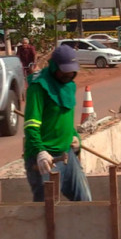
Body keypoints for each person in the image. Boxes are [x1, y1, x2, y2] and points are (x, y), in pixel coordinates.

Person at [23, 45, 92, 202]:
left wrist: (75, 138)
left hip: (67, 155)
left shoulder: (69, 86)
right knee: (48, 210)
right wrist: (40, 151)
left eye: (72, 71)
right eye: (64, 71)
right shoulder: (39, 86)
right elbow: (31, 125)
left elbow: (65, 119)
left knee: (85, 203)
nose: (68, 75)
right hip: (46, 159)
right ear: (54, 66)